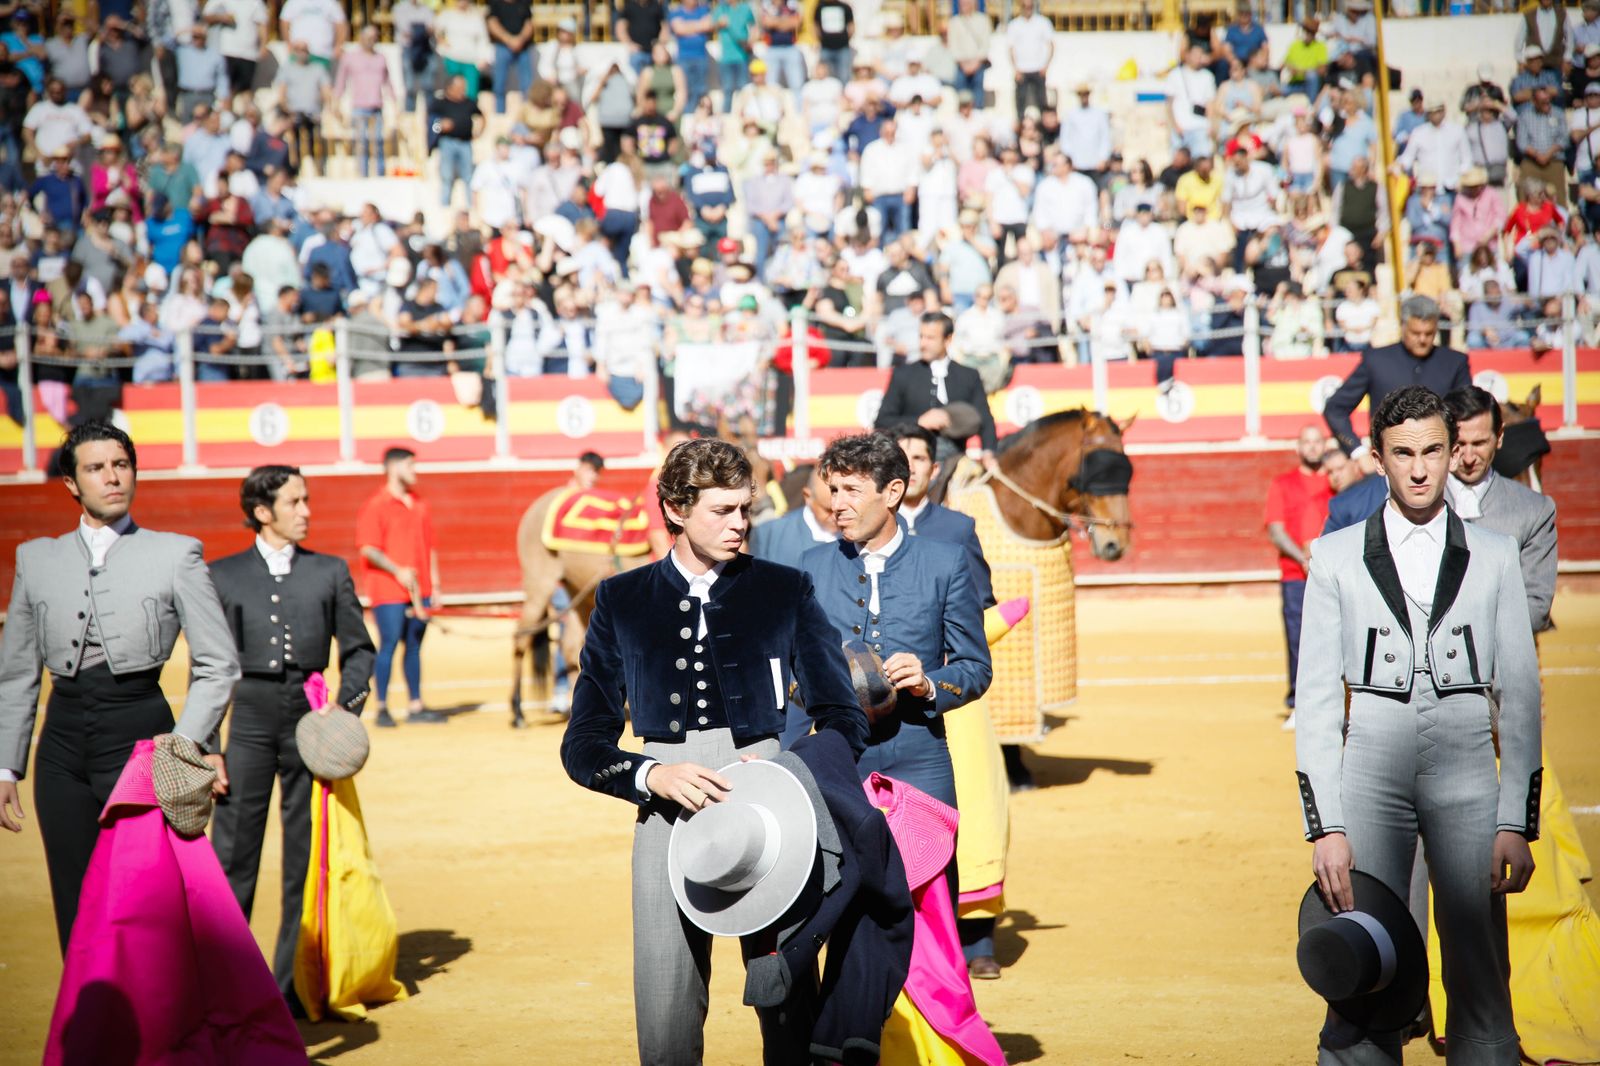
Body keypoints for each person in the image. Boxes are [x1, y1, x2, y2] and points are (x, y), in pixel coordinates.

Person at [560, 438, 866, 1065]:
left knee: (786, 997)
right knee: (666, 1000)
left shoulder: (784, 589)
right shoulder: (621, 599)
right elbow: (583, 743)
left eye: (744, 509)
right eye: (722, 511)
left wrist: (790, 772)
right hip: (667, 810)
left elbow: (840, 715)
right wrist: (653, 775)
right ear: (675, 509)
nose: (740, 525)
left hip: (773, 799)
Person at [1294, 385, 1541, 1065]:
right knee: (1365, 956)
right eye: (1404, 453)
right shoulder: (1335, 556)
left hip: (1467, 765)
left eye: (1434, 449)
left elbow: (1519, 693)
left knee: (1480, 965)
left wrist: (1516, 820)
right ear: (1378, 458)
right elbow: (1315, 700)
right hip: (1370, 762)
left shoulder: (1492, 553)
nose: (1423, 468)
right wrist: (1328, 828)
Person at [0, 421, 240, 951]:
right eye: (96, 468)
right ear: (71, 483)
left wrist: (183, 744)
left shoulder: (176, 554)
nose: (112, 477)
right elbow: (17, 670)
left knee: (148, 900)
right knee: (74, 896)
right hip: (61, 745)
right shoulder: (38, 560)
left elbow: (218, 662)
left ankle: (158, 1028)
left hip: (142, 739)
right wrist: (5, 764)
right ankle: (91, 1029)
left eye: (121, 465)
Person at [209, 465, 374, 1013]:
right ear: (263, 512)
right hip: (249, 719)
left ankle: (290, 987)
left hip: (310, 721)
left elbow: (358, 648)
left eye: (306, 500)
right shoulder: (223, 575)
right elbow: (210, 668)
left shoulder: (328, 571)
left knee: (305, 857)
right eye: (295, 502)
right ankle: (227, 982)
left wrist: (343, 711)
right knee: (234, 852)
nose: (306, 510)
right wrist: (209, 744)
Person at [801, 432, 991, 814]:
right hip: (839, 754)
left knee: (928, 871)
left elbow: (975, 668)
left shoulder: (945, 563)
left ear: (892, 492)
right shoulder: (811, 566)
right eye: (833, 490)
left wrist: (928, 684)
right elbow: (789, 671)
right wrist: (822, 684)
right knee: (847, 872)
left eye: (851, 490)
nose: (837, 504)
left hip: (920, 753)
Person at [1444, 388, 1557, 636]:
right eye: (1460, 444)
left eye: (1480, 443)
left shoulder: (1534, 510)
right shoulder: (1415, 503)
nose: (1469, 457)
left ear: (1500, 437)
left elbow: (1536, 608)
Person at [356, 447, 443, 727]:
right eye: (410, 465)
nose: (414, 471)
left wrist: (436, 584)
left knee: (415, 646)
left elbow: (429, 547)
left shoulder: (420, 504)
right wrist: (398, 571)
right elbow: (369, 548)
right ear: (393, 468)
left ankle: (415, 705)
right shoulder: (376, 505)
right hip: (388, 589)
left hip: (421, 590)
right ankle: (382, 707)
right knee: (389, 644)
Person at [1323, 295, 1472, 455]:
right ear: (1402, 326)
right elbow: (1335, 409)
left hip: (1441, 464)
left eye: (1429, 333)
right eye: (1415, 333)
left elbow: (1469, 414)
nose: (1422, 339)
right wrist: (1356, 451)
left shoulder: (1454, 363)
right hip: (1387, 465)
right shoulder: (1376, 361)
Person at [1266, 425, 1332, 731]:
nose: (1312, 447)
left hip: (1332, 573)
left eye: (1317, 442)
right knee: (1297, 639)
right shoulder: (1283, 483)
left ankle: (1337, 705)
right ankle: (1298, 704)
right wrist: (1303, 558)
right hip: (1296, 574)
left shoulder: (1336, 481)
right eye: (1306, 442)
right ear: (1298, 448)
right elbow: (1276, 529)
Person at [873, 311, 998, 462]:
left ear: (948, 339)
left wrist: (988, 453)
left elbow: (985, 420)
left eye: (930, 338)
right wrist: (919, 422)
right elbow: (882, 422)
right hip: (910, 464)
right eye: (921, 336)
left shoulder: (968, 376)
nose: (922, 344)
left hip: (954, 461)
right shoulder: (903, 374)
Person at [749, 463, 838, 568]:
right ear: (807, 496)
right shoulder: (769, 535)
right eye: (828, 510)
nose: (835, 517)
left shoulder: (857, 535)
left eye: (839, 510)